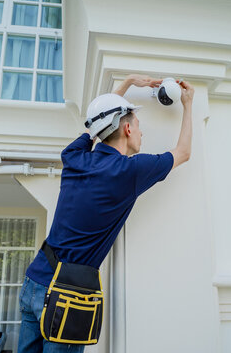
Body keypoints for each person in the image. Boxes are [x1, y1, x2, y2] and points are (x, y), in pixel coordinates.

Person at [18, 74, 194, 353]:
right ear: (126, 129)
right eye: (137, 126)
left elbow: (95, 126)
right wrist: (188, 103)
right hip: (66, 295)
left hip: (33, 282)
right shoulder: (130, 172)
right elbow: (183, 152)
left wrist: (127, 83)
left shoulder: (74, 156)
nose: (141, 132)